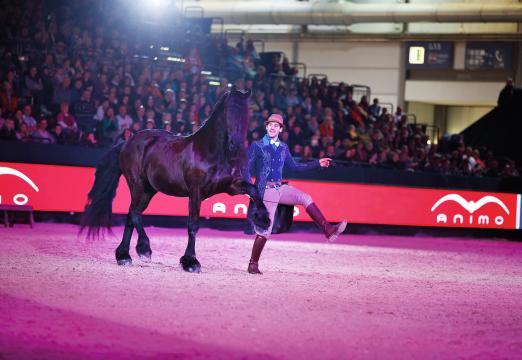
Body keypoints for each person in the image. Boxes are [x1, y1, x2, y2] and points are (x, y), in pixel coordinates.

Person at [243, 114, 348, 274]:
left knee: (305, 198)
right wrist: (249, 189)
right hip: (266, 191)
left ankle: (327, 229)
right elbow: (245, 169)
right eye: (270, 125)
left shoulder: (283, 147)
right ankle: (253, 264)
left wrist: (317, 163)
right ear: (266, 127)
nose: (272, 127)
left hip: (280, 187)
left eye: (276, 125)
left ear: (281, 129)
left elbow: (296, 167)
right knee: (266, 231)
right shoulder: (257, 146)